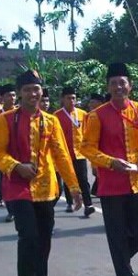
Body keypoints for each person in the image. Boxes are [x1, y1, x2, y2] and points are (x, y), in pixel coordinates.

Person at [0, 70, 82, 276]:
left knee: (45, 237)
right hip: (19, 189)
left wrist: (74, 187)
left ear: (41, 91)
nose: (33, 94)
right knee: (28, 236)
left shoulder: (50, 121)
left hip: (47, 189)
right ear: (19, 94)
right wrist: (16, 166)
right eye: (27, 90)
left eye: (36, 89)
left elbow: (62, 154)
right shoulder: (6, 119)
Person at [81, 62, 138, 276]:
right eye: (113, 83)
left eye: (122, 82)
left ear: (130, 85)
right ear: (108, 87)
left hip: (137, 181)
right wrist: (108, 162)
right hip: (111, 186)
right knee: (116, 234)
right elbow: (87, 147)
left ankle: (122, 260)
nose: (118, 87)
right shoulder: (97, 116)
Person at [54, 87, 96, 217]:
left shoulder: (83, 114)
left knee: (83, 179)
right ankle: (69, 202)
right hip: (65, 153)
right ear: (63, 99)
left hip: (80, 153)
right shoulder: (57, 116)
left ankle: (88, 204)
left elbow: (87, 132)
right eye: (68, 98)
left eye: (73, 98)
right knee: (68, 178)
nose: (71, 101)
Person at [0, 84, 15, 220]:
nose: (12, 98)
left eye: (13, 95)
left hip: (18, 154)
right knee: (7, 184)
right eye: (8, 95)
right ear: (2, 98)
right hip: (3, 155)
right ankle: (10, 210)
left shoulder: (20, 112)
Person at [86, 93, 106, 198]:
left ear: (99, 103)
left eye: (92, 102)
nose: (90, 104)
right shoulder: (90, 116)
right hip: (95, 150)